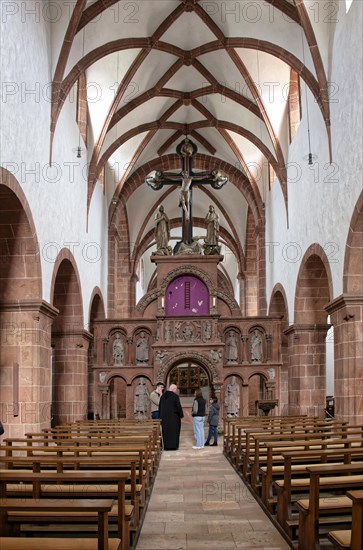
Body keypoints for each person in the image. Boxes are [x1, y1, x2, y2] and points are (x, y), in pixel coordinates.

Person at [159, 384, 184, 450]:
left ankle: (165, 446)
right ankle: (173, 446)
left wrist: (160, 417)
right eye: (175, 389)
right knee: (173, 432)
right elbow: (178, 407)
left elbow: (160, 408)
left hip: (164, 419)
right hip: (174, 418)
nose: (176, 391)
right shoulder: (175, 397)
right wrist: (181, 415)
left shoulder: (162, 397)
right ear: (173, 389)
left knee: (165, 431)